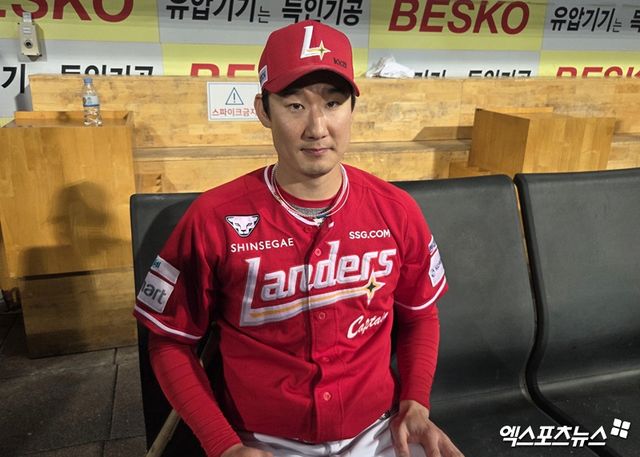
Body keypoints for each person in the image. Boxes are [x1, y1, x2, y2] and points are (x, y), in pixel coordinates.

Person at [134, 20, 463, 457]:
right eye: (294, 105)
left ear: (352, 108)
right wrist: (224, 446)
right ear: (263, 110)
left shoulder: (397, 210)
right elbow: (170, 341)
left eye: (333, 102)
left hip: (381, 429)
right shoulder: (212, 219)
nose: (317, 127)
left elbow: (421, 315)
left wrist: (416, 402)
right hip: (261, 441)